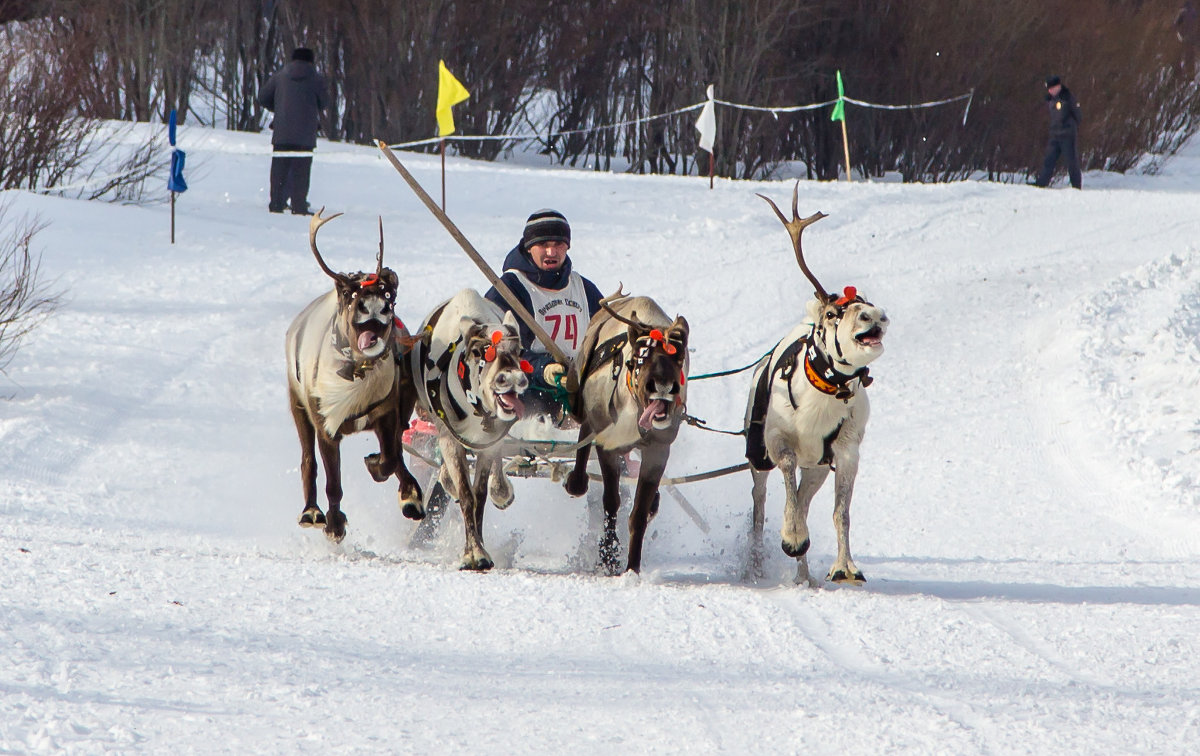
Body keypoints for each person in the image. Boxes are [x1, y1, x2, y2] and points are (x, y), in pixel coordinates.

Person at [484, 209, 604, 419]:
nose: (551, 252)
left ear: (567, 246)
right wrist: (543, 369)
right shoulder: (510, 289)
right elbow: (495, 348)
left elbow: (606, 333)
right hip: (526, 390)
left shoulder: (583, 288)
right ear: (529, 247)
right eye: (543, 245)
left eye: (558, 244)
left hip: (578, 389)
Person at [257, 47, 329, 215]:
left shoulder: (280, 77)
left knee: (279, 170)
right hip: (305, 135)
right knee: (301, 171)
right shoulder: (317, 80)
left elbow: (262, 97)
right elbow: (324, 102)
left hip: (282, 132)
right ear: (311, 61)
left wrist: (279, 108)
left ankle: (277, 203)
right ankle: (299, 205)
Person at [1034, 75, 1082, 190]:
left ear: (1058, 86)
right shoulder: (1050, 99)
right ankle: (1042, 182)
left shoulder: (1068, 97)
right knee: (1049, 159)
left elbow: (1078, 115)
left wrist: (1071, 127)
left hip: (1067, 134)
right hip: (1054, 134)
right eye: (1048, 89)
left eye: (1052, 88)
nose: (1050, 91)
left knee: (1071, 161)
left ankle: (1076, 185)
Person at [1177, 1, 1199, 76]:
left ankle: (1187, 71)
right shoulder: (1194, 12)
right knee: (1191, 54)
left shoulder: (1182, 12)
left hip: (1184, 37)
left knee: (1186, 54)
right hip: (1193, 36)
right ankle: (1191, 70)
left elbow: (1176, 23)